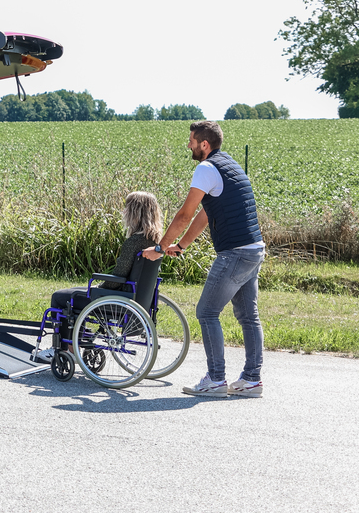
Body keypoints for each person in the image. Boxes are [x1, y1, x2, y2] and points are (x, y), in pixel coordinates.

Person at [143, 121, 265, 398]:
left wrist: (160, 248)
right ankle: (252, 380)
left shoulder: (206, 168)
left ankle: (216, 379)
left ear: (204, 144)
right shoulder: (229, 166)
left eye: (191, 141)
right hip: (254, 249)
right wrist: (181, 245)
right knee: (248, 316)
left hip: (235, 252)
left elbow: (184, 215)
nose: (188, 145)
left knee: (207, 312)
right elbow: (206, 214)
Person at [35, 191, 163, 362]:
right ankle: (76, 344)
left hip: (119, 299)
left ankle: (64, 350)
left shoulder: (133, 242)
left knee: (60, 298)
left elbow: (119, 275)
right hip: (137, 300)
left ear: (134, 212)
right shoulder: (154, 243)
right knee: (73, 292)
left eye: (126, 208)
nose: (124, 212)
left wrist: (98, 289)